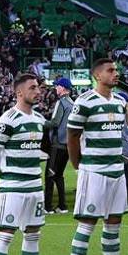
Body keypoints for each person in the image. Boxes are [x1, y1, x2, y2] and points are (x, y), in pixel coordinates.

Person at [66, 58, 128, 255]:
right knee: (87, 224)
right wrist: (79, 165)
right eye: (111, 70)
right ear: (98, 76)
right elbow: (72, 136)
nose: (116, 73)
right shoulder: (84, 101)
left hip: (116, 171)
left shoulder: (119, 102)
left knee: (114, 224)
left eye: (117, 70)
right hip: (93, 171)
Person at [0, 73, 53, 255]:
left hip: (35, 187)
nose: (38, 91)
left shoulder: (38, 119)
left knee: (33, 235)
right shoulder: (8, 119)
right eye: (33, 88)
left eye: (38, 87)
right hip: (13, 187)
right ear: (19, 93)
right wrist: (5, 174)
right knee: (6, 235)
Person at [44, 77, 73, 214]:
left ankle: (47, 207)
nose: (56, 88)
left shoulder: (61, 103)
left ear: (63, 88)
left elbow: (55, 122)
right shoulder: (72, 103)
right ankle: (62, 205)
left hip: (57, 144)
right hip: (67, 145)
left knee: (49, 175)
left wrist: (39, 121)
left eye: (57, 86)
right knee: (59, 175)